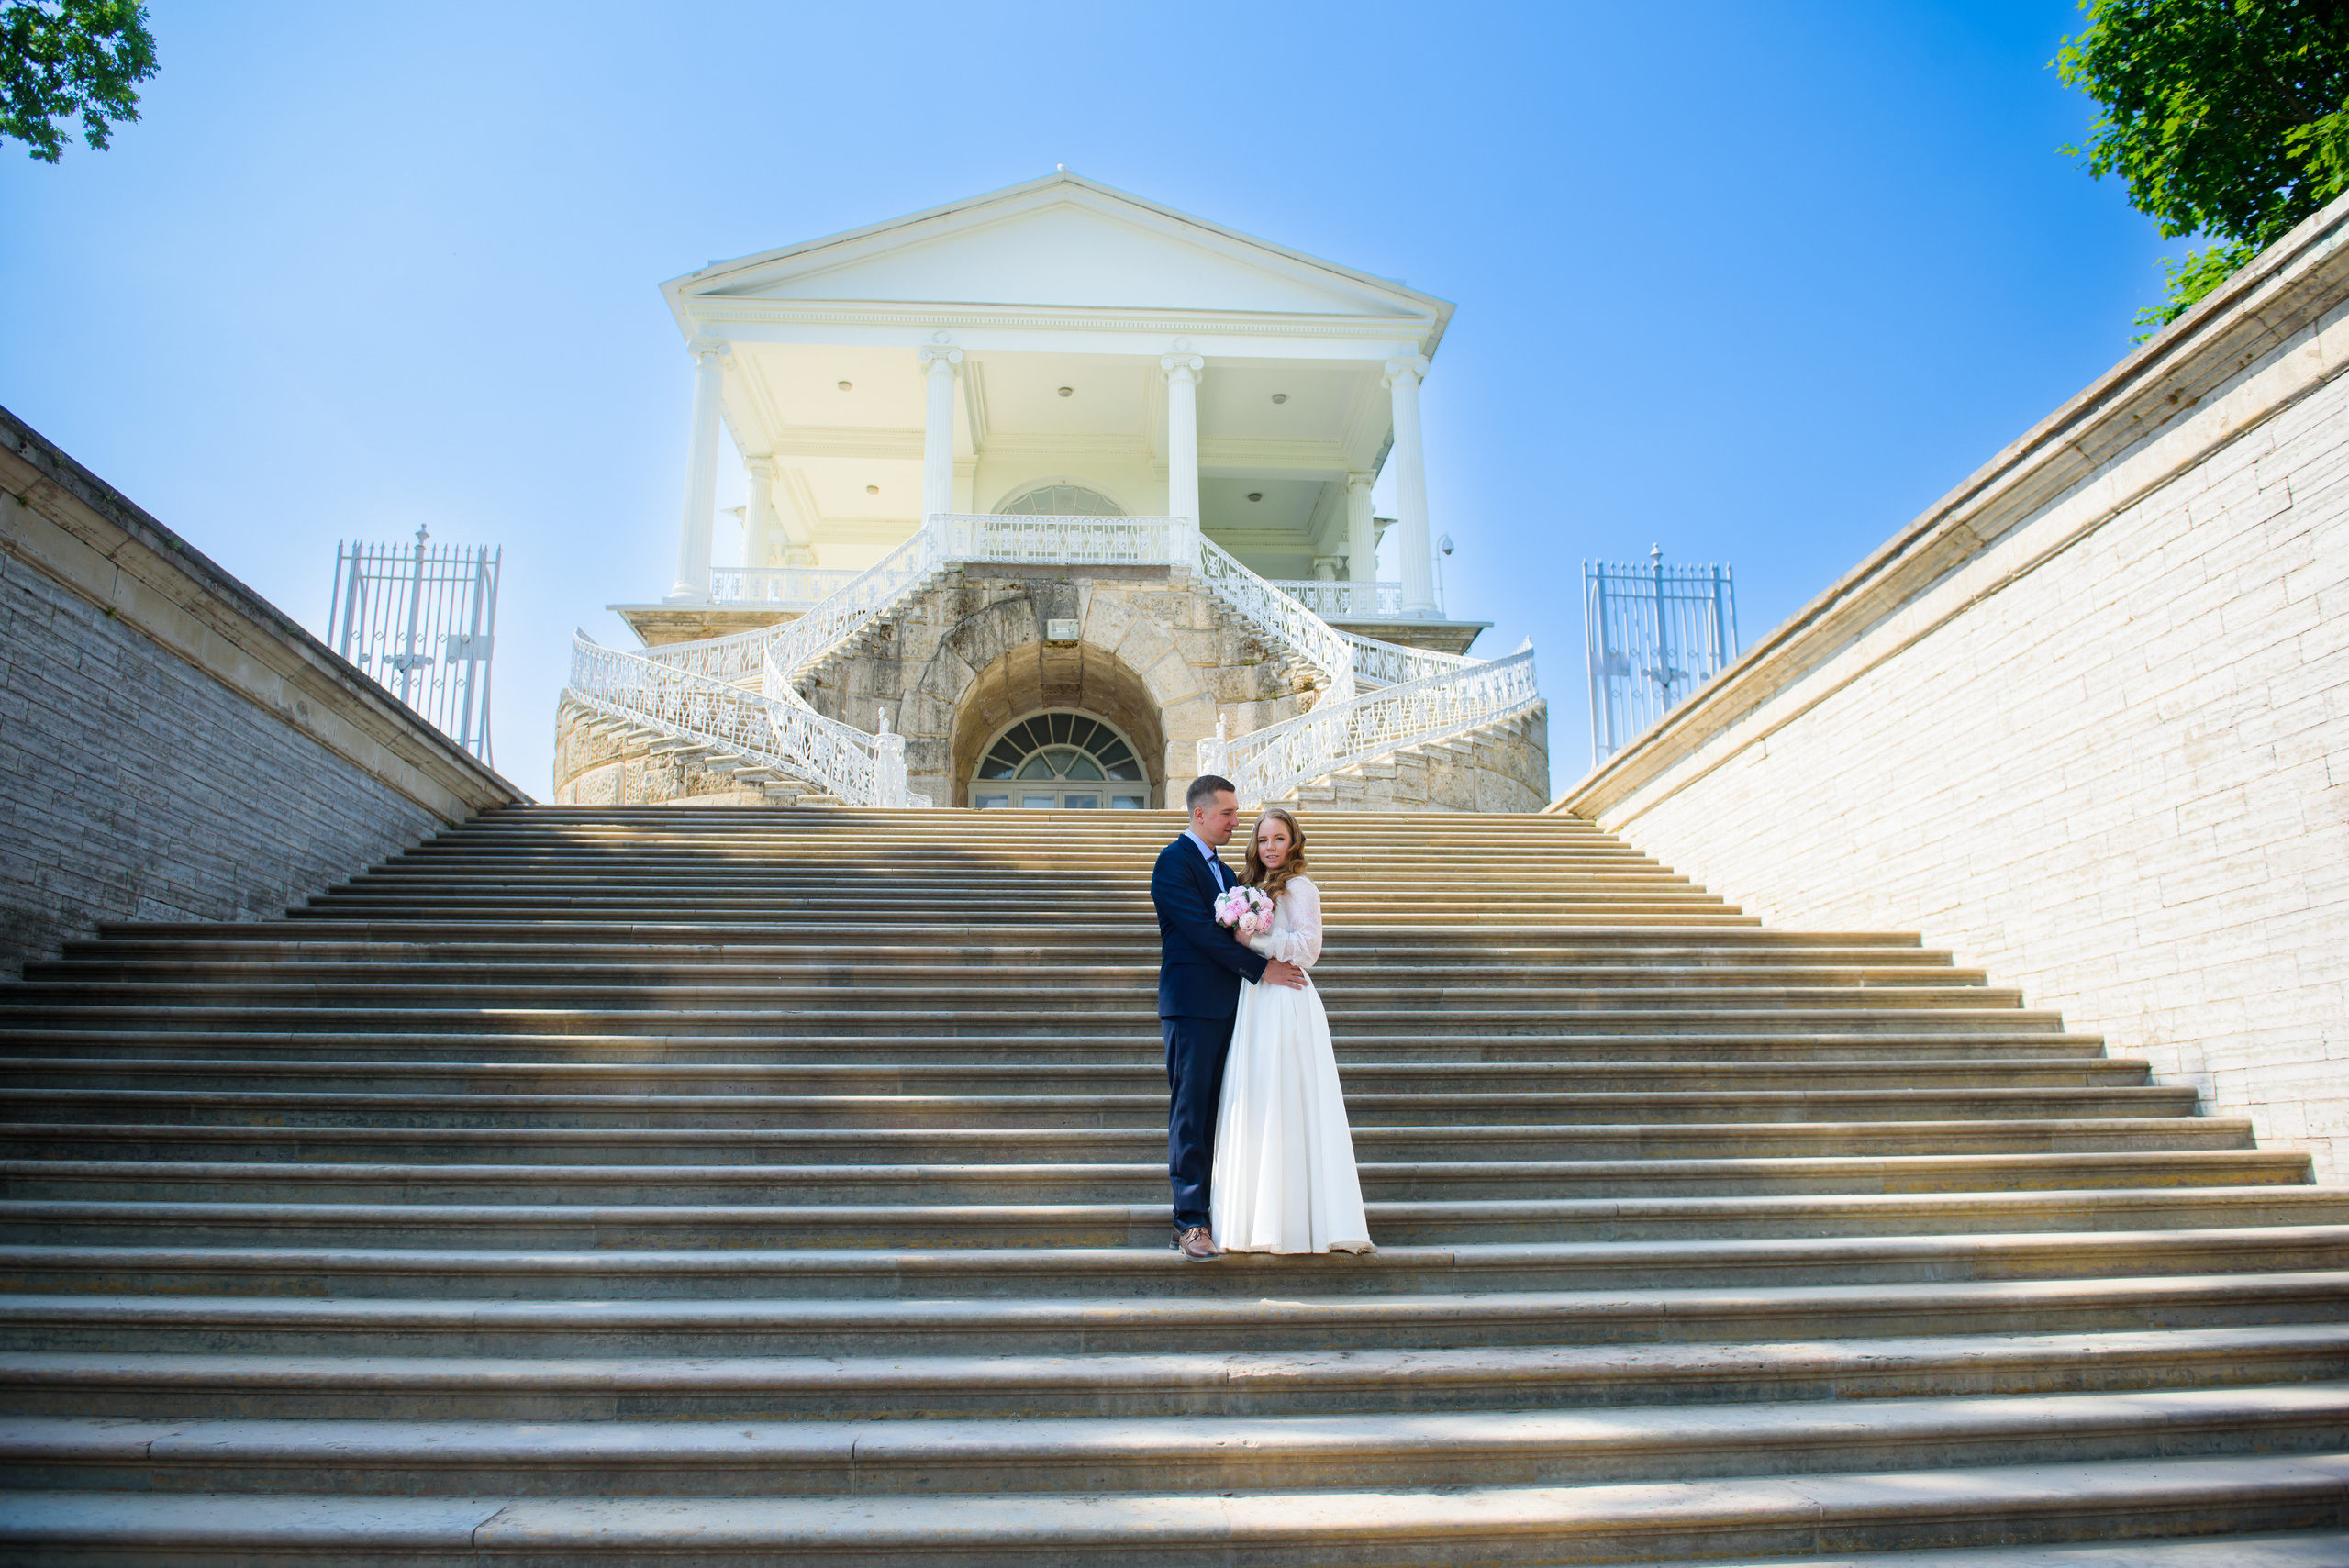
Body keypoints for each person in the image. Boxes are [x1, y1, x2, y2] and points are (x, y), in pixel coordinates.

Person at [1151, 775, 1307, 1262]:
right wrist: (1263, 969)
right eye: (1228, 814)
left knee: (1227, 1114)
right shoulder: (1173, 862)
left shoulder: (1225, 871)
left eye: (1238, 813)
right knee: (1192, 1113)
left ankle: (1225, 1211)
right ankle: (1190, 1223)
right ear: (1199, 814)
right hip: (1192, 1006)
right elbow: (1200, 931)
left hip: (1233, 1007)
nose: (1237, 822)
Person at [1208, 806, 1375, 1255]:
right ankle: (1256, 1219)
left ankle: (1300, 1221)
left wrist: (1256, 941)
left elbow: (1309, 947)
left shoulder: (1300, 887)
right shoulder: (1247, 889)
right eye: (1263, 840)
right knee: (1259, 1096)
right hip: (1255, 1000)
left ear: (1292, 842)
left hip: (1289, 1000)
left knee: (1290, 1098)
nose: (1270, 848)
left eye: (1279, 839)